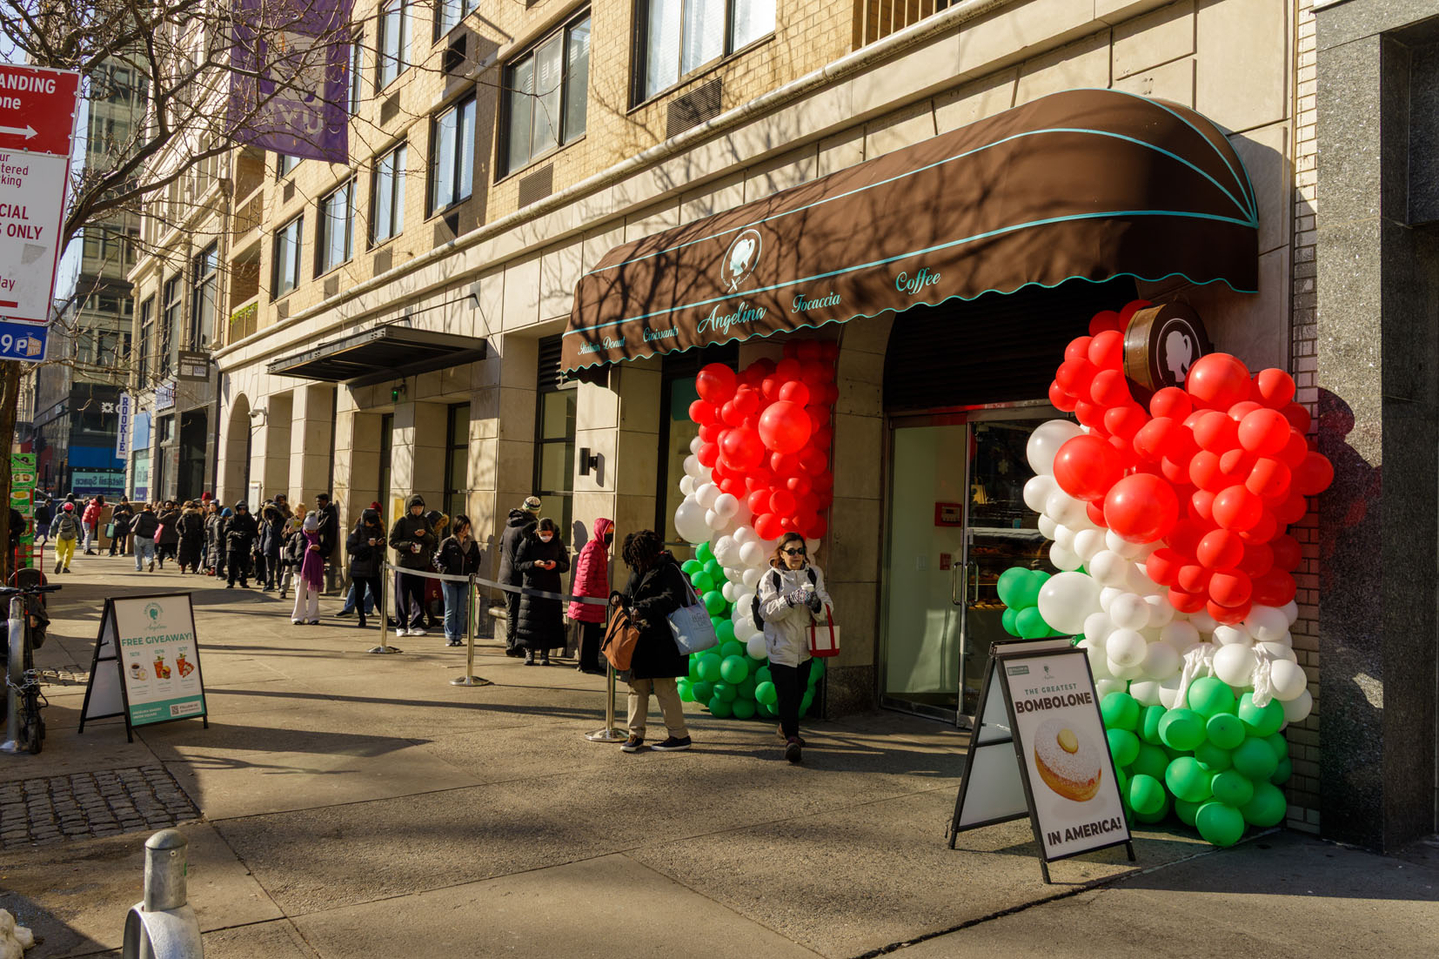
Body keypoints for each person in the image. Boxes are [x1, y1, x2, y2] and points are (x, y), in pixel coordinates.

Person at [757, 532, 833, 764]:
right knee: (787, 695)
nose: (797, 555)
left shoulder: (814, 573)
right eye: (791, 551)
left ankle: (784, 727)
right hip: (780, 648)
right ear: (781, 553)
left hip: (805, 649)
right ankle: (792, 740)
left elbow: (826, 609)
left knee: (799, 691)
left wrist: (815, 604)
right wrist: (789, 600)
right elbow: (766, 612)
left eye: (800, 551)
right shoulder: (771, 577)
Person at [616, 529, 692, 752]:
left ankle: (679, 735)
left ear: (647, 553)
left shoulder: (669, 568)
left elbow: (672, 598)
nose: (634, 563)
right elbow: (629, 595)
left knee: (665, 688)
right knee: (635, 687)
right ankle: (635, 734)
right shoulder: (638, 568)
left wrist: (644, 607)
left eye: (637, 557)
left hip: (663, 640)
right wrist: (618, 598)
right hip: (639, 639)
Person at [513, 517, 570, 666]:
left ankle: (545, 653)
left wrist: (556, 565)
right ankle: (529, 652)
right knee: (530, 622)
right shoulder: (528, 542)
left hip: (551, 588)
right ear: (537, 532)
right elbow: (518, 564)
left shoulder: (558, 543)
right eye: (543, 534)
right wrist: (534, 564)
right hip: (531, 588)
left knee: (548, 622)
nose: (546, 537)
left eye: (549, 534)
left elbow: (566, 564)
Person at [567, 518, 613, 674]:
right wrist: (598, 594)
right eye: (608, 532)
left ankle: (591, 663)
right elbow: (586, 579)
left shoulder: (601, 549)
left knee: (592, 634)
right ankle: (585, 664)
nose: (610, 535)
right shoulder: (593, 549)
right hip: (589, 600)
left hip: (595, 601)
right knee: (586, 634)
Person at [496, 496, 540, 656]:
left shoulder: (510, 524)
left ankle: (512, 644)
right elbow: (530, 553)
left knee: (511, 611)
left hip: (505, 575)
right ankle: (513, 645)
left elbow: (501, 547)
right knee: (517, 613)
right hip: (518, 576)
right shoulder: (528, 527)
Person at [387, 494, 436, 637]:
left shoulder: (425, 521)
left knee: (418, 596)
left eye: (420, 508)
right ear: (409, 508)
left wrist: (424, 535)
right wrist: (409, 545)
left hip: (420, 563)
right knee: (401, 596)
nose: (417, 510)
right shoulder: (401, 522)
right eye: (415, 508)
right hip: (404, 563)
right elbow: (392, 541)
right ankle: (401, 625)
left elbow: (432, 539)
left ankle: (416, 624)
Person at [434, 514, 482, 647]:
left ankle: (458, 635)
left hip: (464, 580)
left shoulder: (472, 543)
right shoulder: (448, 542)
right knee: (451, 609)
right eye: (463, 528)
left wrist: (473, 571)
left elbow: (477, 559)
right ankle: (450, 636)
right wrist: (444, 570)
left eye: (467, 528)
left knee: (461, 610)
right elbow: (437, 559)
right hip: (449, 581)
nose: (465, 531)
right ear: (457, 527)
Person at [345, 509, 386, 629]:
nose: (371, 524)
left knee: (378, 594)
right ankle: (361, 619)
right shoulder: (357, 531)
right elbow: (350, 548)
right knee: (359, 594)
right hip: (359, 568)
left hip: (373, 568)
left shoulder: (377, 531)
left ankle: (385, 618)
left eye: (373, 522)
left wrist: (380, 544)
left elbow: (381, 550)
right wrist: (367, 544)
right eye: (369, 522)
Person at [291, 514, 324, 625]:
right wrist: (293, 561)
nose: (311, 532)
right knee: (300, 594)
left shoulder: (319, 537)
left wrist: (319, 549)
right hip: (300, 569)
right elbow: (290, 549)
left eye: (313, 530)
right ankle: (298, 617)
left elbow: (326, 550)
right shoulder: (298, 535)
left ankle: (313, 617)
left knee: (313, 594)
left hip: (314, 569)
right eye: (309, 530)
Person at [224, 501, 259, 588]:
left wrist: (247, 534)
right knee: (231, 566)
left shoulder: (250, 520)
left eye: (244, 509)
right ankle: (230, 581)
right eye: (240, 509)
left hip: (245, 545)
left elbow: (255, 531)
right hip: (233, 546)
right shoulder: (231, 519)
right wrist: (235, 534)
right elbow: (226, 531)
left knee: (244, 566)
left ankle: (243, 581)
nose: (242, 511)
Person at [279, 503, 306, 600]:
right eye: (298, 512)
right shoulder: (291, 521)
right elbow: (283, 534)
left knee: (303, 570)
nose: (300, 514)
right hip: (292, 548)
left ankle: (304, 591)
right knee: (288, 569)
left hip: (302, 549)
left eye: (302, 512)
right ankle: (283, 590)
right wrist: (288, 532)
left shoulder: (307, 521)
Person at [258, 502, 286, 591]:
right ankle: (270, 585)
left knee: (279, 568)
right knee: (269, 568)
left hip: (279, 546)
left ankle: (280, 585)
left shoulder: (282, 521)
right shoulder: (266, 522)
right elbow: (263, 535)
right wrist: (260, 546)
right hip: (268, 546)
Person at [176, 501, 206, 573]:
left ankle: (194, 568)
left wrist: (199, 532)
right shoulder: (184, 516)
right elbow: (178, 526)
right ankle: (182, 568)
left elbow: (202, 526)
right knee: (183, 554)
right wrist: (181, 534)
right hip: (185, 538)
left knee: (195, 554)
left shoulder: (198, 516)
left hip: (195, 538)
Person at [52, 502, 81, 574]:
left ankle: (59, 560)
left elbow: (53, 526)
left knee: (59, 551)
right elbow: (79, 528)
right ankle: (65, 567)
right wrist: (80, 538)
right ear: (73, 509)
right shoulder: (75, 517)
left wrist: (52, 534)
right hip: (72, 536)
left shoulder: (58, 516)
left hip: (61, 536)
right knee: (69, 552)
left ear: (63, 509)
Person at [132, 502, 159, 571]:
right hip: (150, 537)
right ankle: (149, 561)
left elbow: (131, 523)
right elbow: (157, 526)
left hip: (139, 536)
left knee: (138, 552)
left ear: (144, 508)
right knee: (149, 552)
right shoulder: (154, 517)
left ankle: (138, 567)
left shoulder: (140, 515)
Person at [156, 501, 180, 568]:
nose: (168, 506)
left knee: (176, 550)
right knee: (161, 551)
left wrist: (167, 521)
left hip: (174, 535)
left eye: (170, 505)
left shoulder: (177, 513)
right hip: (164, 535)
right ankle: (160, 563)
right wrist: (168, 515)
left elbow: (177, 521)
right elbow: (159, 520)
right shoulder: (162, 512)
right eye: (167, 505)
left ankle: (179, 564)